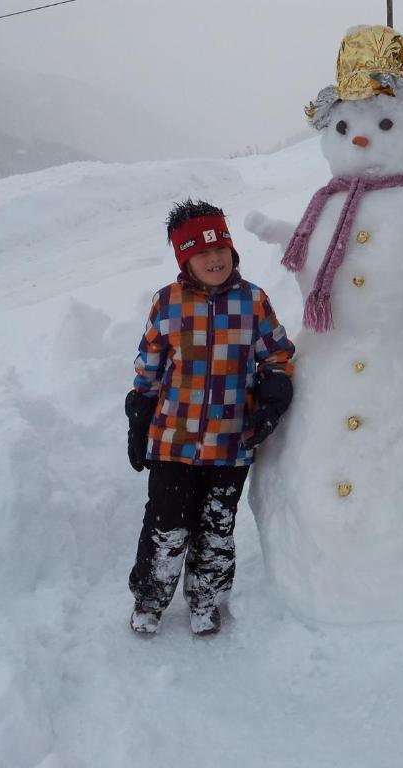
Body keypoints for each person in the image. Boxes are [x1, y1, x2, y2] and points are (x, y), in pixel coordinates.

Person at [125, 199, 295, 636]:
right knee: (166, 527)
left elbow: (277, 355)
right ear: (186, 259)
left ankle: (206, 599)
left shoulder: (253, 301)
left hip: (231, 443)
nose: (214, 259)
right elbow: (148, 367)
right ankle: (150, 598)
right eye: (201, 253)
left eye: (220, 248)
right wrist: (139, 416)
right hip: (173, 443)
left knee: (217, 529)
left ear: (231, 251)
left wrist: (273, 397)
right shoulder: (167, 302)